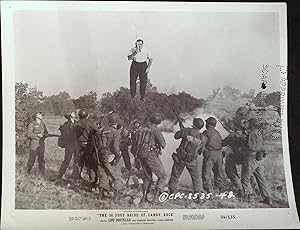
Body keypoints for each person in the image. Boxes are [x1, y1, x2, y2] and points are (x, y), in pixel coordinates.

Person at [168, 118, 206, 199]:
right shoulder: (202, 137)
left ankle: (172, 192)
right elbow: (200, 151)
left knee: (175, 175)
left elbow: (176, 136)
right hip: (192, 160)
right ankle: (198, 194)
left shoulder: (186, 130)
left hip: (180, 158)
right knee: (196, 178)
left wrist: (182, 130)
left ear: (194, 124)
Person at [135, 112, 167, 204]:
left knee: (147, 176)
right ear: (158, 121)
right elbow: (163, 144)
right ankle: (156, 198)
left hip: (141, 155)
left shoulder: (141, 129)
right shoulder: (155, 129)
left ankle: (144, 198)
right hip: (151, 154)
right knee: (163, 176)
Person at [240, 118, 272, 205]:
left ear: (251, 125)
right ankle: (267, 197)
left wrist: (242, 148)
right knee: (261, 178)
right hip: (259, 158)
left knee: (245, 178)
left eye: (248, 123)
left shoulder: (252, 133)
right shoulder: (258, 132)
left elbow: (251, 147)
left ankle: (248, 197)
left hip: (252, 157)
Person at [96, 113, 124, 198]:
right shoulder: (116, 134)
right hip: (111, 156)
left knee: (103, 173)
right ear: (117, 123)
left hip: (101, 155)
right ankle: (117, 192)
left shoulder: (102, 131)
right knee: (116, 174)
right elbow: (116, 148)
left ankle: (101, 193)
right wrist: (119, 154)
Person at [72, 108, 98, 183]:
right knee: (90, 163)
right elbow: (96, 133)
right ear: (87, 115)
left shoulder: (75, 123)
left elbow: (72, 134)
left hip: (78, 145)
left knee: (78, 162)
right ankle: (92, 181)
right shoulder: (91, 123)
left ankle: (76, 178)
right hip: (88, 145)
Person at [202, 117, 227, 193]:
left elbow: (202, 143)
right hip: (219, 154)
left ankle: (208, 189)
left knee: (206, 172)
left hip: (210, 153)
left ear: (208, 124)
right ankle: (221, 189)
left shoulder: (206, 133)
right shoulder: (217, 132)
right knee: (219, 172)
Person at [55, 111, 78, 180]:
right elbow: (67, 135)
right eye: (73, 113)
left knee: (77, 160)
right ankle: (60, 175)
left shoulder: (77, 123)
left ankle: (75, 175)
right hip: (69, 145)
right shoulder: (66, 125)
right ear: (70, 116)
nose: (75, 114)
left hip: (76, 145)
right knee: (67, 160)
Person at [26, 112, 49, 176]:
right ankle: (28, 171)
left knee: (41, 158)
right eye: (40, 114)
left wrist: (45, 135)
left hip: (41, 143)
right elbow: (29, 134)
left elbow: (46, 132)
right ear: (36, 117)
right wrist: (37, 135)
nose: (41, 115)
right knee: (32, 157)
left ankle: (42, 172)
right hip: (34, 143)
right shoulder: (32, 124)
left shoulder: (43, 124)